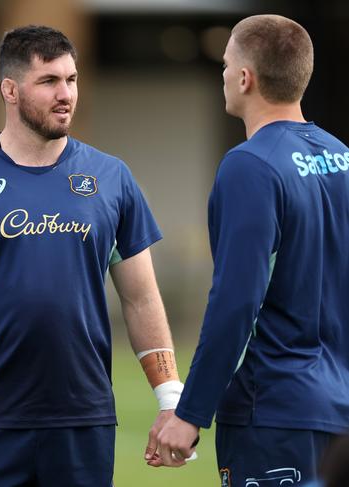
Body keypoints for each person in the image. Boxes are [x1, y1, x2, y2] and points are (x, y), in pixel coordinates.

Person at [0, 25, 183, 487]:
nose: (66, 94)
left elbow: (141, 299)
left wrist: (170, 398)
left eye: (72, 80)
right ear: (10, 90)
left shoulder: (111, 177)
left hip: (83, 422)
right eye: (49, 82)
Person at [155, 14, 349, 484]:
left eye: (225, 64)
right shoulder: (344, 157)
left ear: (245, 78)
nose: (222, 74)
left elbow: (237, 299)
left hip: (276, 412)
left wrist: (191, 411)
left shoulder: (250, 166)